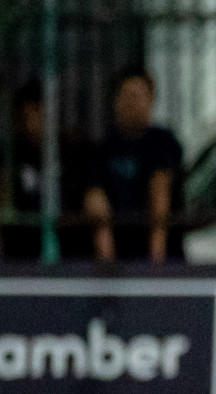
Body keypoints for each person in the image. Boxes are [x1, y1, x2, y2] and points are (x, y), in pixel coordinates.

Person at [84, 67, 183, 263]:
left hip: (159, 259)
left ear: (151, 99)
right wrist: (107, 264)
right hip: (119, 258)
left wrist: (156, 265)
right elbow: (95, 199)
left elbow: (160, 194)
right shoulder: (104, 149)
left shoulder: (162, 141)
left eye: (138, 96)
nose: (131, 103)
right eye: (126, 95)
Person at [0, 80, 91, 261]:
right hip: (22, 249)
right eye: (25, 116)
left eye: (37, 113)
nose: (32, 122)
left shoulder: (75, 151)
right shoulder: (11, 157)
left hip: (73, 248)